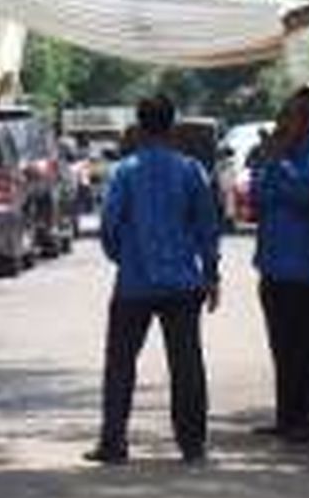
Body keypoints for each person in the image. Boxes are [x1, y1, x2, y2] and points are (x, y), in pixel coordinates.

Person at [86, 96, 222, 465]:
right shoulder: (191, 170)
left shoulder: (125, 172)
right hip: (182, 283)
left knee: (120, 362)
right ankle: (192, 444)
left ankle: (113, 442)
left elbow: (110, 227)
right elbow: (207, 226)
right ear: (172, 125)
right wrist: (211, 272)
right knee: (187, 363)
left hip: (135, 283)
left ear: (139, 127)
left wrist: (126, 258)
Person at [253, 90, 309, 444]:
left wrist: (277, 162)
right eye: (281, 118)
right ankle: (288, 417)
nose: (281, 126)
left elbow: (303, 196)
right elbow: (261, 199)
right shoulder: (275, 159)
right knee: (283, 349)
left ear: (306, 122)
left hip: (305, 269)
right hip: (273, 267)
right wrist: (270, 164)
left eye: (288, 118)